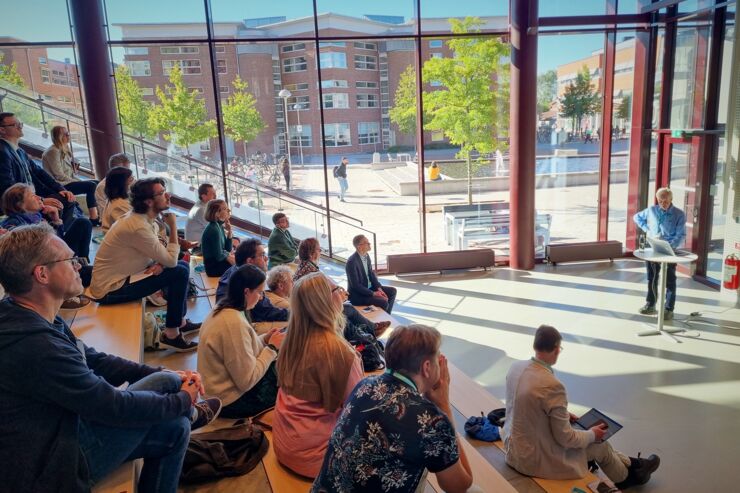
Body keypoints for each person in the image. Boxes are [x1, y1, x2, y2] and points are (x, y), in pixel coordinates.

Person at [0, 223, 221, 493]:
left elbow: (94, 359)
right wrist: (181, 398)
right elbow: (112, 406)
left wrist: (159, 373)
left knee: (173, 412)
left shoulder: (24, 314)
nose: (79, 265)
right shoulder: (36, 346)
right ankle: (190, 410)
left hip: (61, 428)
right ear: (42, 274)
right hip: (52, 464)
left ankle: (188, 412)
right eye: (70, 260)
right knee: (171, 405)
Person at [313, 324, 474, 493]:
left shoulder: (364, 385)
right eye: (437, 359)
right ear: (426, 368)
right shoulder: (431, 420)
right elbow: (460, 486)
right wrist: (444, 406)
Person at [503, 325, 660, 489]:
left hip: (514, 451)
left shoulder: (516, 367)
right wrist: (592, 434)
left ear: (535, 345)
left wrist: (562, 414)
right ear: (557, 350)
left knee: (593, 439)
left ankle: (635, 464)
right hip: (534, 461)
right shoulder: (552, 385)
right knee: (600, 444)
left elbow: (523, 406)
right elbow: (566, 439)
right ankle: (628, 478)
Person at [90, 178, 200, 352]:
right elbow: (169, 259)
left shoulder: (143, 220)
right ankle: (172, 334)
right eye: (162, 193)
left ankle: (180, 322)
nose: (168, 195)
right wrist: (171, 224)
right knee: (178, 270)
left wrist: (160, 264)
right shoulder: (137, 226)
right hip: (109, 290)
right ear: (149, 201)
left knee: (182, 267)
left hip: (125, 277)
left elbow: (161, 252)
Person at [273, 272, 364, 478]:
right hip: (317, 459)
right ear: (324, 301)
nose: (341, 293)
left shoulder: (291, 341)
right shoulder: (339, 352)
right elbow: (359, 410)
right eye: (336, 289)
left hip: (285, 446)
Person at [198, 264, 286, 418]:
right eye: (259, 292)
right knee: (288, 383)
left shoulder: (223, 309)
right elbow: (247, 381)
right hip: (229, 401)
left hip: (217, 393)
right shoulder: (233, 323)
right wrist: (271, 348)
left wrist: (264, 339)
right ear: (246, 292)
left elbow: (242, 347)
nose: (260, 298)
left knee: (280, 367)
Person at [1, 184, 93, 309]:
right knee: (96, 273)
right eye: (33, 196)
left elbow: (59, 245)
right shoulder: (15, 226)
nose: (39, 197)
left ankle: (80, 267)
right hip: (44, 269)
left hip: (56, 258)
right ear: (20, 205)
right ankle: (67, 286)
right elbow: (39, 257)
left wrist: (56, 220)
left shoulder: (37, 216)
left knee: (83, 223)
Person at [295, 237, 390, 337]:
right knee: (347, 311)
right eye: (319, 250)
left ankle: (370, 330)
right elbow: (319, 297)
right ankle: (369, 332)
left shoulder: (304, 267)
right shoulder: (311, 271)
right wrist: (339, 297)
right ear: (311, 254)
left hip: (311, 310)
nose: (320, 252)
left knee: (347, 311)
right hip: (314, 313)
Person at [0, 112, 79, 226]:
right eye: (15, 124)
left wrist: (59, 188)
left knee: (66, 197)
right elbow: (8, 187)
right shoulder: (2, 151)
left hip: (32, 197)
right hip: (18, 203)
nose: (20, 126)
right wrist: (40, 200)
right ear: (2, 130)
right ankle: (59, 235)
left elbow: (39, 172)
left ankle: (58, 232)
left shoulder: (19, 151)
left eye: (20, 123)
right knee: (66, 203)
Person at [633, 187, 686, 320]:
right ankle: (651, 304)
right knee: (652, 278)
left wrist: (670, 246)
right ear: (657, 199)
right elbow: (637, 217)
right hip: (653, 248)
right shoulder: (651, 210)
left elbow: (681, 234)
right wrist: (647, 229)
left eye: (666, 200)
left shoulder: (679, 214)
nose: (663, 203)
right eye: (661, 200)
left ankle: (669, 309)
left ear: (671, 199)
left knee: (670, 280)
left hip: (669, 250)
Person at [215, 239, 290, 330]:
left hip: (241, 316)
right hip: (241, 326)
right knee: (291, 325)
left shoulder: (234, 269)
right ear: (250, 261)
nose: (266, 258)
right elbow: (266, 311)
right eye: (262, 255)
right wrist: (294, 314)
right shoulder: (249, 280)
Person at [42, 125, 100, 225]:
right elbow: (58, 174)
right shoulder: (53, 151)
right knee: (91, 185)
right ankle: (94, 218)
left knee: (97, 183)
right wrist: (77, 181)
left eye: (68, 133)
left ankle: (99, 214)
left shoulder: (64, 148)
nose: (69, 136)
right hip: (60, 185)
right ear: (59, 137)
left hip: (67, 181)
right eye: (66, 134)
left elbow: (68, 172)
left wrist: (76, 177)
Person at [346, 234, 397, 314]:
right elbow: (356, 285)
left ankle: (386, 315)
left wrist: (379, 288)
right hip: (358, 295)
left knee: (392, 291)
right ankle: (380, 320)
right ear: (359, 246)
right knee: (383, 301)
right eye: (366, 242)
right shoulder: (351, 262)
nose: (369, 244)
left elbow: (371, 274)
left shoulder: (366, 255)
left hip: (369, 288)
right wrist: (374, 293)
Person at [201, 199, 235, 277]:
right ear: (217, 213)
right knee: (240, 268)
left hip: (217, 263)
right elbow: (219, 256)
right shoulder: (213, 229)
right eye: (225, 209)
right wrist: (229, 257)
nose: (228, 210)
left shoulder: (218, 225)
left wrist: (230, 231)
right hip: (213, 268)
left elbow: (227, 249)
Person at [101, 166, 134, 233]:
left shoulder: (115, 199)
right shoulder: (119, 205)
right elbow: (135, 226)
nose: (134, 182)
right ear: (122, 183)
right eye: (131, 179)